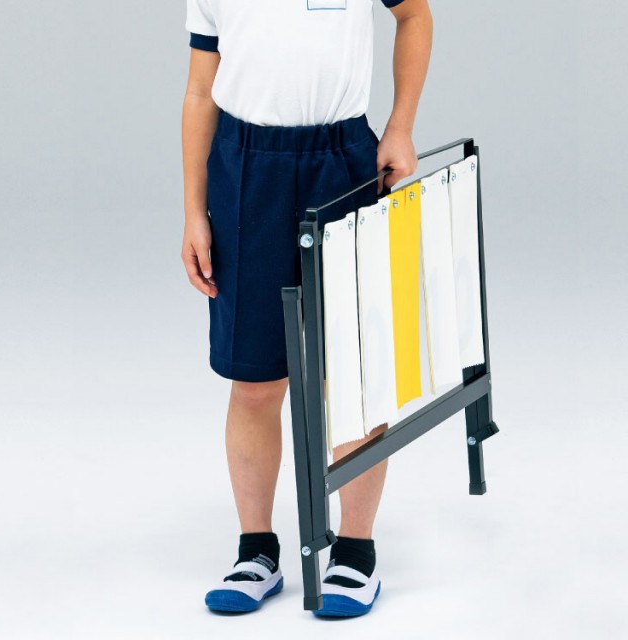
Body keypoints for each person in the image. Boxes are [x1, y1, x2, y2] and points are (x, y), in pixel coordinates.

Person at [181, 0, 432, 617]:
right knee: (254, 380)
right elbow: (200, 90)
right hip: (245, 166)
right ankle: (256, 552)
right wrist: (192, 211)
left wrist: (400, 126)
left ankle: (355, 551)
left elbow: (416, 14)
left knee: (350, 376)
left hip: (340, 160)